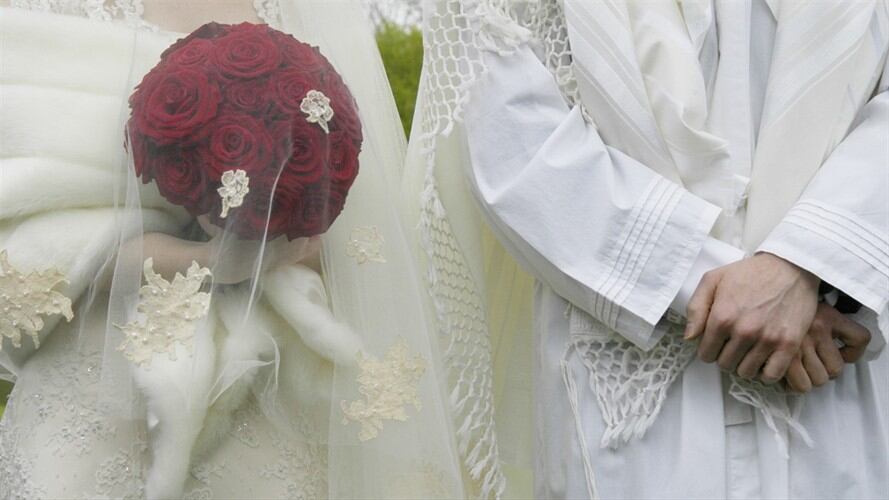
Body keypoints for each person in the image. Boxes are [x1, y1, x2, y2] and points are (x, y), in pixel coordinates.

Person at [406, 0, 888, 498]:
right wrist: (727, 288)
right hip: (631, 369)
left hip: (832, 357)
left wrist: (803, 262)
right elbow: (509, 139)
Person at [0, 1, 465, 498]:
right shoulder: (50, 11)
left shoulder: (304, 14)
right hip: (95, 379)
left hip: (271, 379)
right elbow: (32, 230)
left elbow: (362, 236)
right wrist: (208, 260)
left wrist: (275, 233)